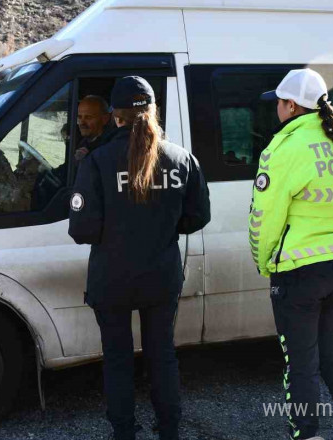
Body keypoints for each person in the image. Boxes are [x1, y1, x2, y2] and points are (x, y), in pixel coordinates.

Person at [68, 76, 210, 440]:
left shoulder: (97, 161)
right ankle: (169, 431)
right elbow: (198, 216)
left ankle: (125, 433)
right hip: (161, 277)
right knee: (162, 356)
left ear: (115, 115)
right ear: (152, 112)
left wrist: (117, 233)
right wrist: (160, 229)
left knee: (118, 361)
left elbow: (82, 230)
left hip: (112, 279)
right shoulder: (182, 158)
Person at [250, 68, 333, 440]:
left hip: (301, 271)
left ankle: (307, 434)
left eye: (279, 103)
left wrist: (264, 259)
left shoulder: (283, 149)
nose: (277, 109)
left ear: (289, 105)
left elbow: (264, 216)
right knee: (332, 352)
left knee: (301, 362)